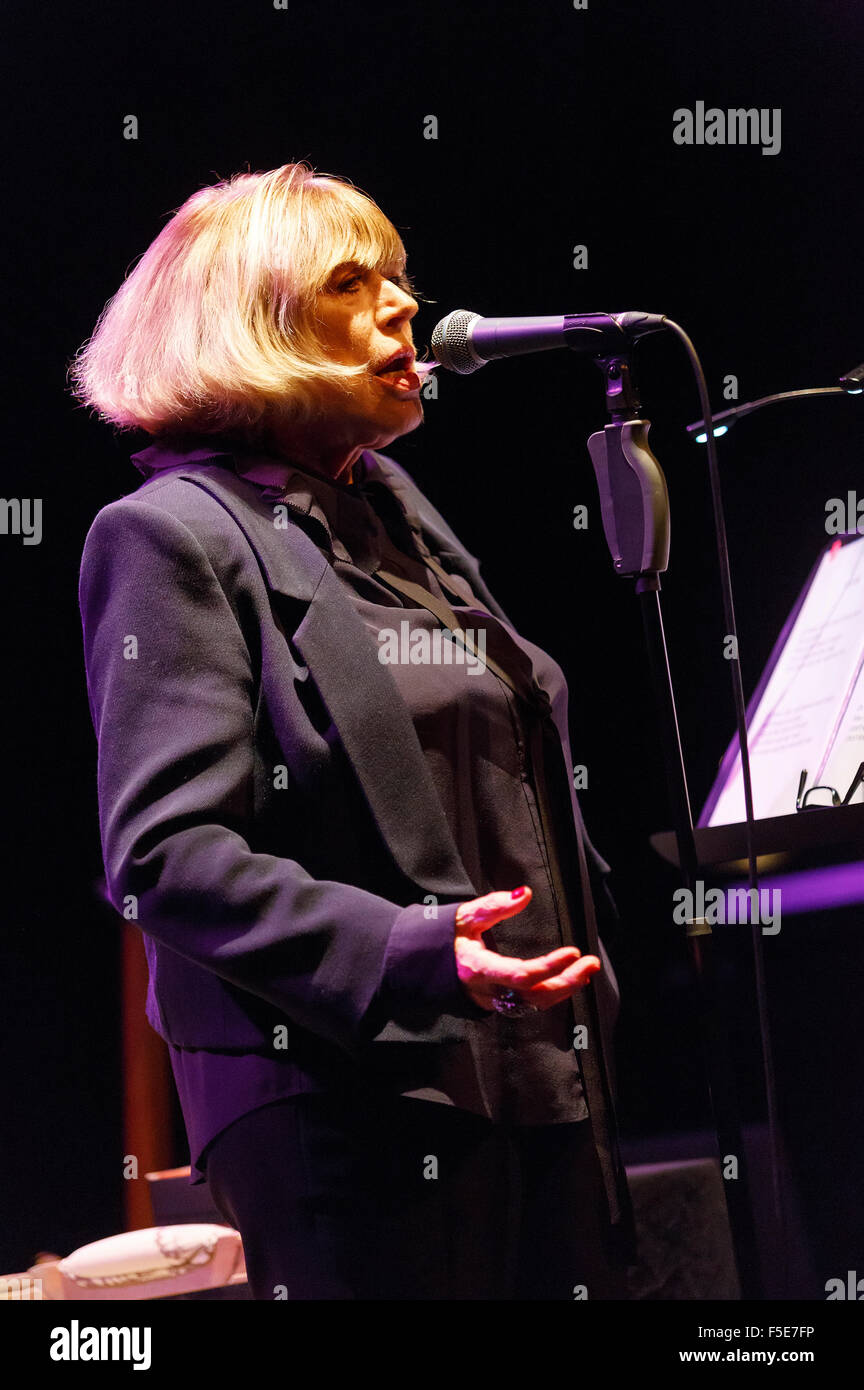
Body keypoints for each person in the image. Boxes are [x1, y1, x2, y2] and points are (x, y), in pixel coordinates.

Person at [73, 162, 634, 1300]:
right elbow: (163, 857)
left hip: (533, 1077)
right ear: (254, 321)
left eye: (399, 277)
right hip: (348, 1111)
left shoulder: (394, 518)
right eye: (353, 280)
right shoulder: (171, 537)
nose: (403, 305)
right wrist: (408, 951)